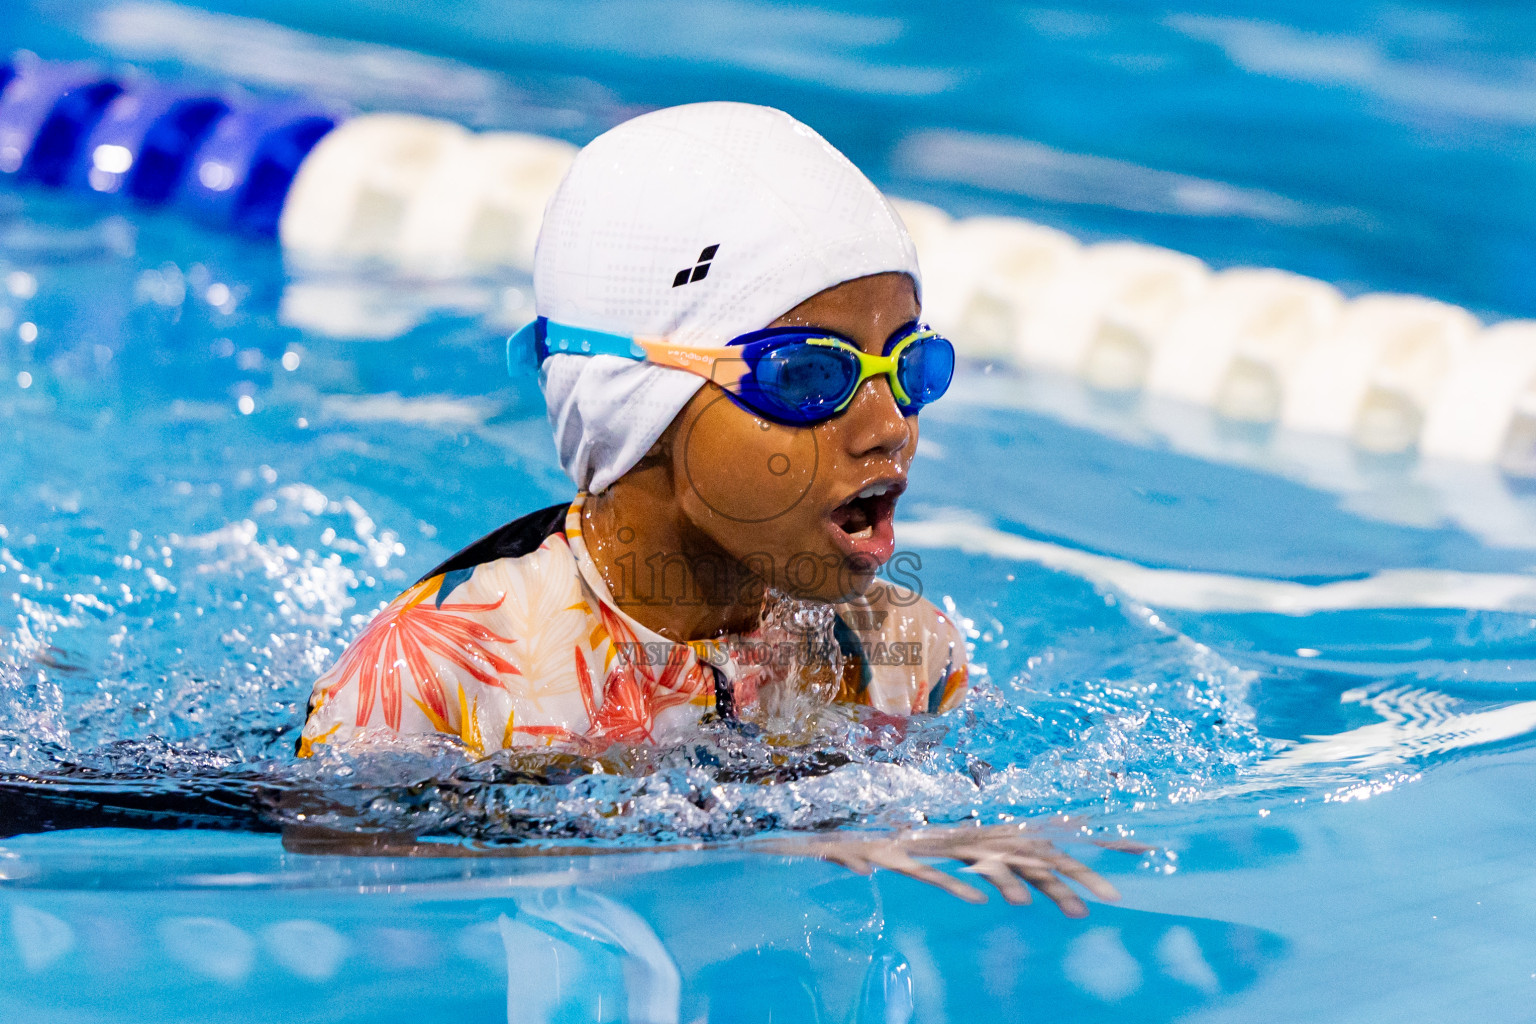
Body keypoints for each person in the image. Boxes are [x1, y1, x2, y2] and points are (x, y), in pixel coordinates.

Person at [294, 101, 1130, 914]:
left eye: (909, 366)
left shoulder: (905, 657)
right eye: (808, 375)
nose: (890, 428)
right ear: (641, 407)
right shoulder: (434, 673)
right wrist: (754, 849)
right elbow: (329, 856)